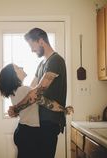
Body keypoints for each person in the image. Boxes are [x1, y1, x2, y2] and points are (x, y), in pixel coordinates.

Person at [8, 28, 67, 158]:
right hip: (40, 123)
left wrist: (16, 108)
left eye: (31, 45)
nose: (32, 50)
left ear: (41, 41)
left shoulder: (56, 61)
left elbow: (37, 93)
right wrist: (15, 104)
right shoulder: (42, 64)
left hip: (49, 123)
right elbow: (31, 88)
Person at [0, 64, 71, 158]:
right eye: (17, 68)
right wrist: (64, 109)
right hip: (29, 133)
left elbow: (33, 88)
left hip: (23, 131)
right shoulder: (24, 90)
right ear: (13, 75)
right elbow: (46, 103)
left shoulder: (17, 91)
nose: (22, 67)